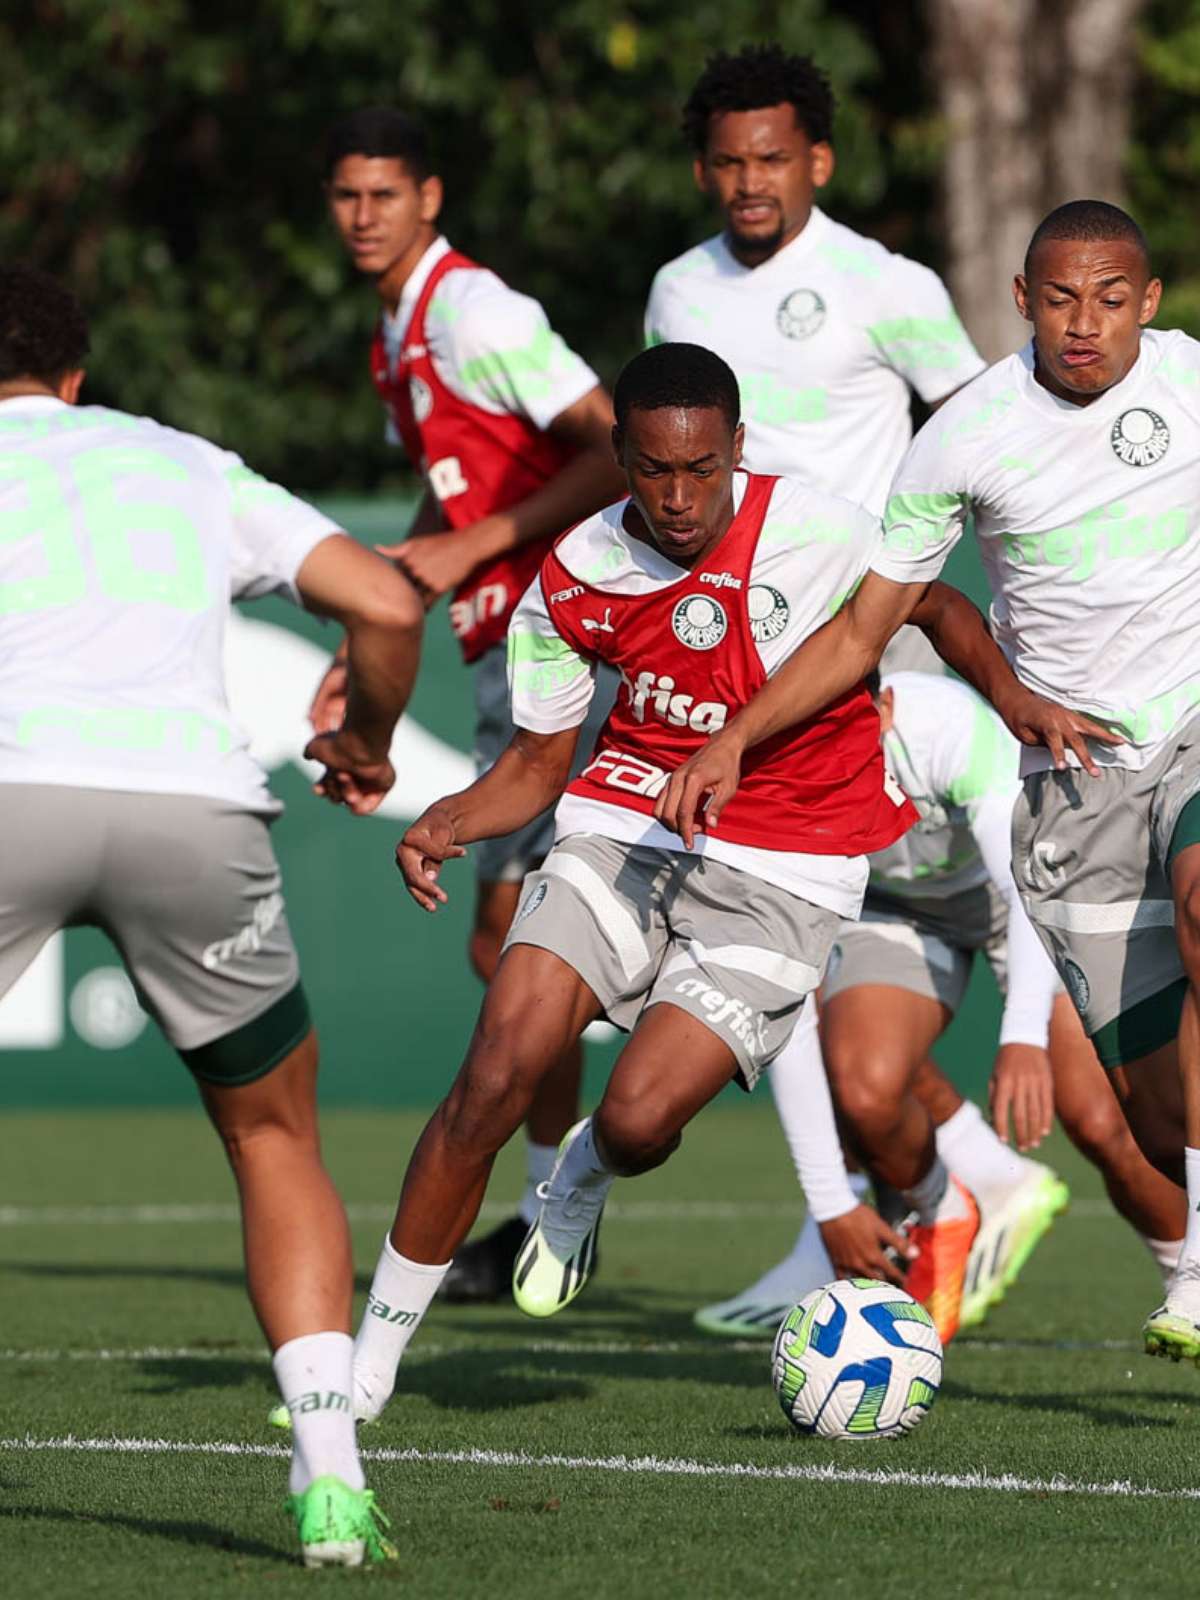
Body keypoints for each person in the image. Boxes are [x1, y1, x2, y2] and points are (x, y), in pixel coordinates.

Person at [346, 341, 946, 1424]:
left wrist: (974, 697)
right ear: (619, 453)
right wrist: (446, 820)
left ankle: (580, 1181)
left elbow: (928, 608)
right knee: (495, 1071)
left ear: (738, 450)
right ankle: (364, 1368)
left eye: (702, 469)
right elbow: (536, 764)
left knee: (633, 1122)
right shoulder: (576, 570)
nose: (678, 497)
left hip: (788, 873)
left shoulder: (824, 531)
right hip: (620, 838)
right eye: (654, 469)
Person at [653, 200, 1200, 1363]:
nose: (1084, 322)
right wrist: (734, 737)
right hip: (1077, 779)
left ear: (1149, 303)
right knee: (1148, 1117)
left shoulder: (1192, 383)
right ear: (1019, 302)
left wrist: (1012, 1037)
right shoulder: (962, 436)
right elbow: (871, 629)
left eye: (1111, 298)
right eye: (1059, 298)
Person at [0, 264, 424, 1566]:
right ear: (79, 377)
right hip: (189, 809)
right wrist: (364, 738)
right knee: (272, 1136)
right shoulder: (180, 460)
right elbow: (391, 601)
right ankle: (332, 1476)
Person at [318, 107, 626, 1301]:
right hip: (512, 654)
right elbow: (454, 505)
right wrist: (378, 608)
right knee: (507, 943)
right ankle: (556, 1215)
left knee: (545, 942)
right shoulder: (395, 328)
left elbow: (616, 446)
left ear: (429, 198)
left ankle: (564, 1211)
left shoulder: (475, 312)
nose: (362, 216)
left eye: (383, 194)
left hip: (575, 647)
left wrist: (470, 549)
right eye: (346, 195)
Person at [696, 670, 1185, 1340]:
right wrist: (830, 1202)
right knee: (864, 1088)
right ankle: (947, 1205)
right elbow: (782, 1002)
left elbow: (1020, 886)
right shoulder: (769, 782)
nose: (826, 739)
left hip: (1025, 893)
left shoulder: (945, 727)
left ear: (886, 703)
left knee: (1099, 1120)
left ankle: (1184, 1281)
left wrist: (1022, 1039)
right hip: (899, 916)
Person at [645, 44, 985, 519]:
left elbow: (981, 431)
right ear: (702, 171)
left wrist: (912, 553)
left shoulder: (888, 281)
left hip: (860, 578)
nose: (750, 183)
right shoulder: (676, 288)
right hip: (724, 582)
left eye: (772, 159)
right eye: (729, 163)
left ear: (819, 163)